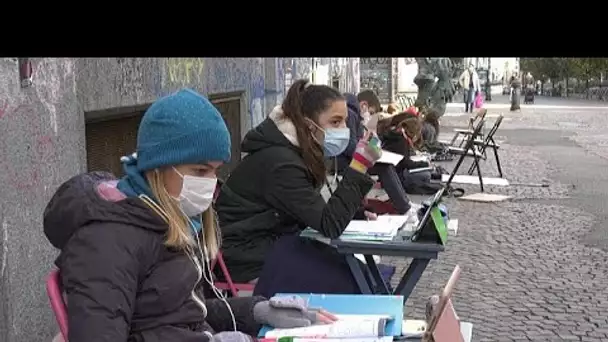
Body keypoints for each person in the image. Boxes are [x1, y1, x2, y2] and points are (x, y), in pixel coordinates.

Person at [43, 88, 336, 342]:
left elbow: (190, 311)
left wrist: (258, 311)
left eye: (215, 171)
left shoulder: (166, 218)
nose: (210, 184)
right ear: (159, 165)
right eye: (199, 171)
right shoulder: (107, 242)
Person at [215, 79, 382, 297]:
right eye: (335, 122)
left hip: (271, 245)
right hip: (249, 260)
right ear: (308, 125)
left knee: (356, 272)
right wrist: (359, 165)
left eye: (345, 122)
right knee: (350, 281)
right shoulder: (281, 163)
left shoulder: (295, 153)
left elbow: (305, 206)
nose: (344, 130)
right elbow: (329, 224)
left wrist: (356, 212)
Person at [335, 91, 411, 214]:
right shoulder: (350, 114)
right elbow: (351, 145)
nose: (369, 116)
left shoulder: (353, 115)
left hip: (347, 158)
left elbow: (358, 142)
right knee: (384, 167)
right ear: (363, 105)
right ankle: (403, 206)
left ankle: (404, 203)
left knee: (385, 165)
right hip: (344, 161)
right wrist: (368, 151)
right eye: (370, 113)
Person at [378, 112, 441, 195]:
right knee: (426, 175)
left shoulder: (394, 135)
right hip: (398, 176)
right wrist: (424, 164)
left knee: (427, 173)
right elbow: (406, 163)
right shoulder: (402, 141)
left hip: (389, 174)